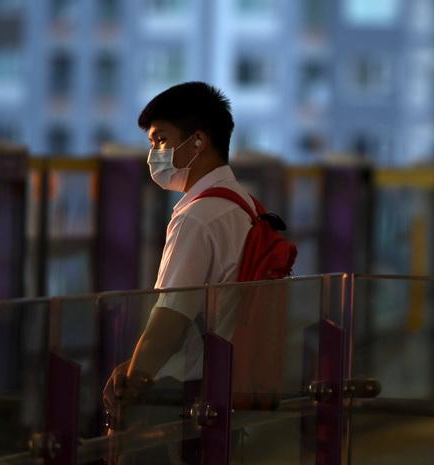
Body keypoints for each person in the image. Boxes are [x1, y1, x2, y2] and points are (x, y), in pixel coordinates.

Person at [102, 82, 255, 448]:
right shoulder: (244, 204)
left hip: (183, 397)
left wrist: (132, 387)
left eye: (160, 139)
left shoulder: (198, 217)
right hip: (225, 386)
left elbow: (171, 318)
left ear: (198, 141)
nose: (153, 152)